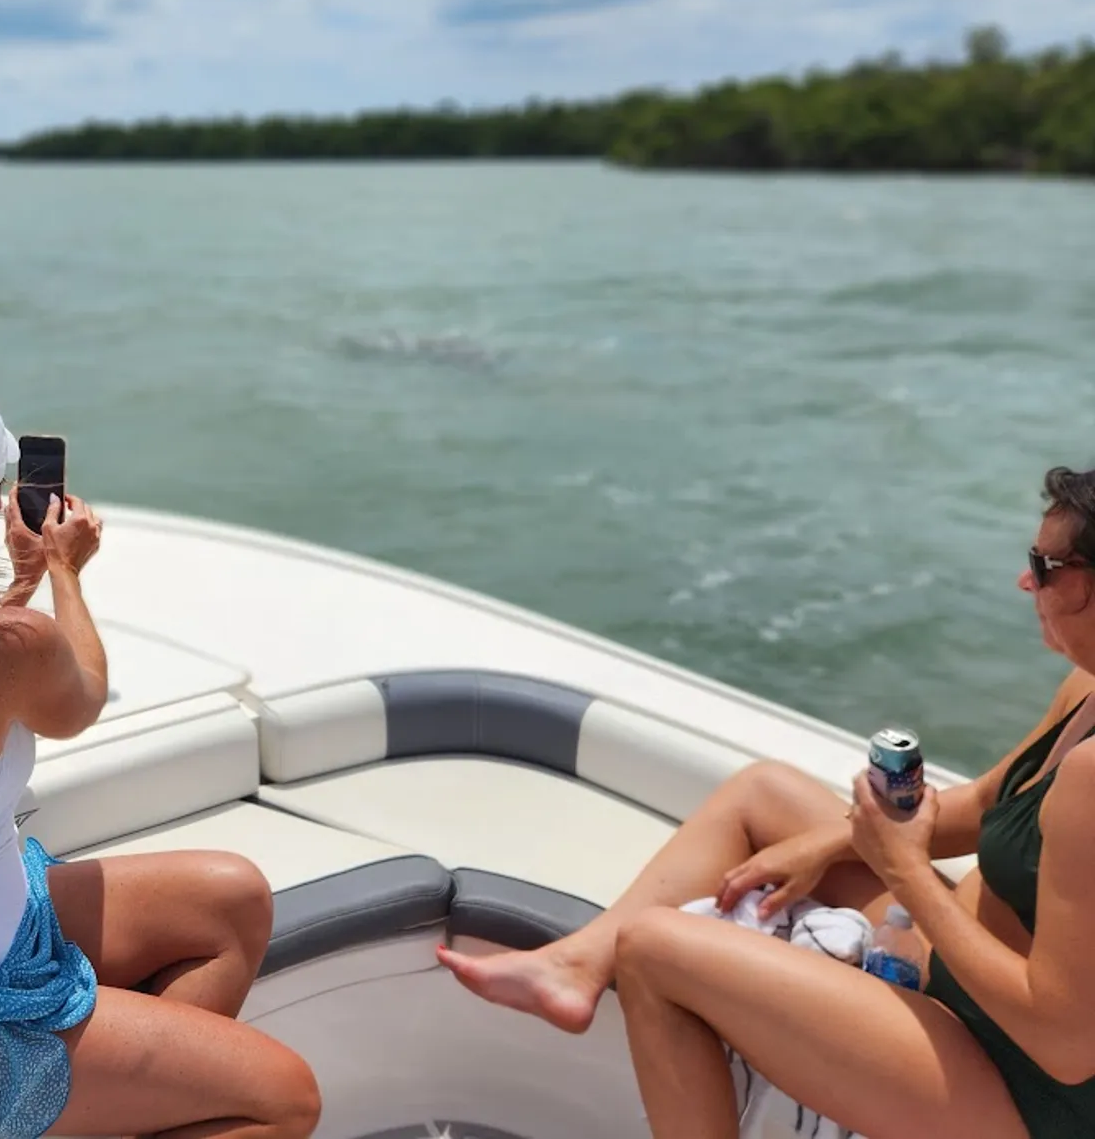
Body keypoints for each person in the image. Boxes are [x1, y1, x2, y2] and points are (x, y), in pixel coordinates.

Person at [440, 465, 1095, 1138]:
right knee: (764, 794)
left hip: (1027, 1084)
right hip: (966, 969)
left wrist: (901, 868)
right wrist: (836, 840)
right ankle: (574, 965)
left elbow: (1064, 1042)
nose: (1025, 582)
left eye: (1043, 566)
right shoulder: (1085, 688)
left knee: (654, 950)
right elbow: (987, 803)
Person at [0, 381, 321, 1139]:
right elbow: (80, 698)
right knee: (290, 1099)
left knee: (236, 898)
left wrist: (20, 584)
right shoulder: (11, 645)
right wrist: (63, 572)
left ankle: (130, 1104)